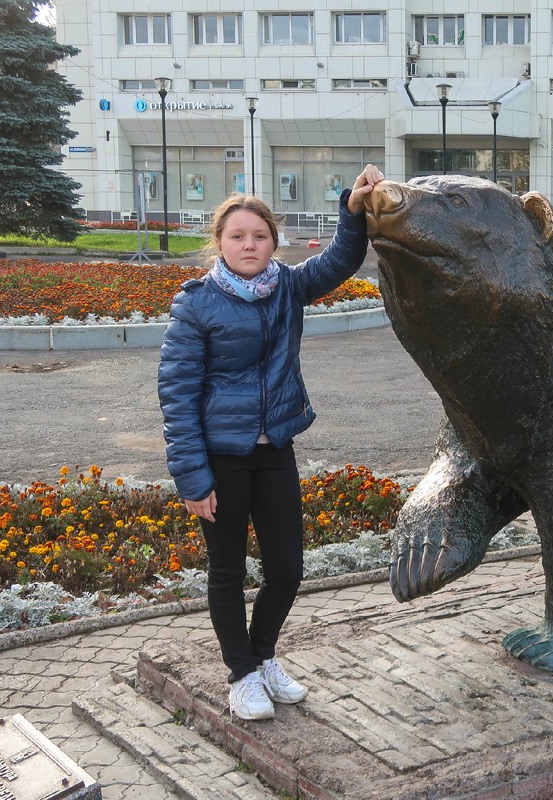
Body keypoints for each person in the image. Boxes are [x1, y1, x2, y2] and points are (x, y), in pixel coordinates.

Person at [158, 165, 383, 720]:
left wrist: (352, 209)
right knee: (228, 572)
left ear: (273, 242)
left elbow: (339, 262)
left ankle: (261, 658)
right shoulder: (196, 303)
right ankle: (241, 676)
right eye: (238, 236)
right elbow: (177, 395)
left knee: (287, 569)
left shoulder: (286, 287)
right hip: (221, 459)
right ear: (219, 242)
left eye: (259, 236)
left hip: (274, 449)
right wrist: (192, 478)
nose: (249, 244)